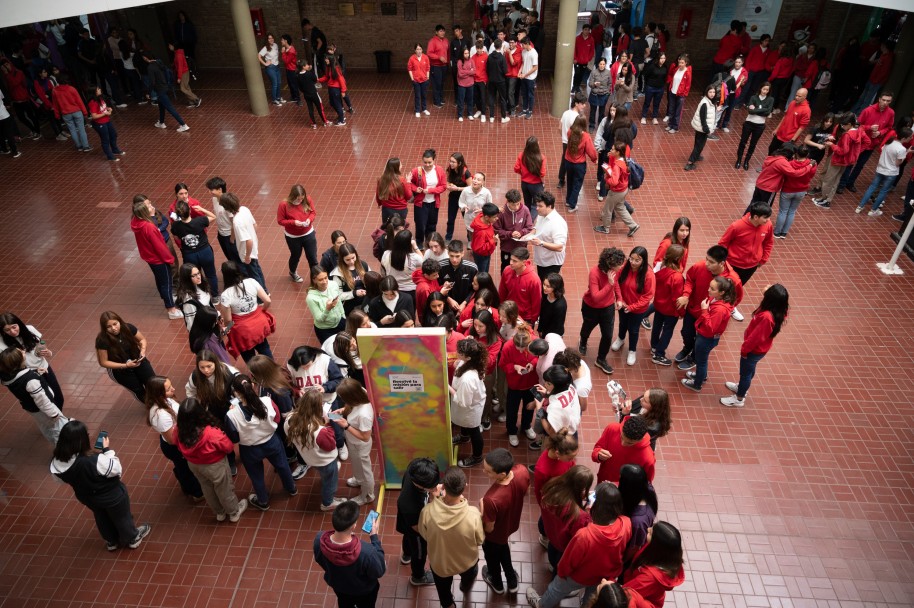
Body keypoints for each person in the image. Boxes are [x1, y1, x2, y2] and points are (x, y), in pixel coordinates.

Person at [526, 482, 632, 608]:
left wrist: (561, 573)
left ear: (596, 506)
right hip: (603, 575)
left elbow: (568, 561)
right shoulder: (626, 523)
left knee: (555, 589)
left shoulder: (585, 535)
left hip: (578, 576)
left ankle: (541, 605)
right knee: (592, 597)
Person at [50, 420, 150, 550]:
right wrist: (107, 450)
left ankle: (111, 541)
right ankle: (132, 538)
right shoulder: (92, 460)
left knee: (100, 515)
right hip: (111, 495)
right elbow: (116, 469)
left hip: (86, 497)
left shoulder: (56, 463)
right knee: (121, 517)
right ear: (81, 441)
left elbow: (60, 480)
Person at [224, 373, 296, 511]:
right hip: (271, 441)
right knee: (282, 466)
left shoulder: (231, 415)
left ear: (236, 393)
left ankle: (263, 500)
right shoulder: (267, 401)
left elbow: (234, 438)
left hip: (250, 449)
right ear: (252, 385)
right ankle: (291, 488)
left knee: (256, 475)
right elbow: (277, 420)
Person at [419, 467, 485, 607]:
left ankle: (449, 604)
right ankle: (465, 586)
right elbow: (480, 540)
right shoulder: (473, 514)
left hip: (440, 565)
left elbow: (425, 534)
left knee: (443, 590)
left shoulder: (427, 512)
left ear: (442, 486)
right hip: (467, 563)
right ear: (464, 487)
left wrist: (435, 499)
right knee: (469, 576)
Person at [177, 398, 248, 522]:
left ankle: (219, 513)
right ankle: (234, 512)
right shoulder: (210, 433)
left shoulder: (179, 430)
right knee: (224, 488)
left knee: (206, 487)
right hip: (214, 465)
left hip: (194, 464)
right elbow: (228, 447)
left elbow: (177, 443)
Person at [674, 246, 743, 371]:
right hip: (693, 309)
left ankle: (694, 358)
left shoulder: (733, 280)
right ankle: (687, 348)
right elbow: (690, 280)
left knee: (701, 342)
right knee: (686, 332)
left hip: (710, 318)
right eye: (706, 259)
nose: (707, 264)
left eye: (711, 262)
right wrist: (686, 295)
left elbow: (736, 299)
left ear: (722, 263)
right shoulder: (700, 266)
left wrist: (721, 311)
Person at [721, 284, 789, 408]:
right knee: (749, 371)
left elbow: (756, 338)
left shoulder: (766, 317)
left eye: (769, 288)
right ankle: (741, 387)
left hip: (753, 350)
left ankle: (739, 398)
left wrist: (744, 350)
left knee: (745, 373)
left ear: (770, 298)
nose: (766, 286)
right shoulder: (778, 309)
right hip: (760, 349)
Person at [313, 500, 386, 608]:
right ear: (353, 526)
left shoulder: (319, 540)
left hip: (340, 588)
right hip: (364, 592)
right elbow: (379, 570)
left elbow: (320, 560)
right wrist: (374, 538)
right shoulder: (367, 552)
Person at [144, 376, 203, 500]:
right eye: (168, 388)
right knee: (185, 469)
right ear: (158, 394)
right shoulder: (161, 415)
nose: (173, 389)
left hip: (180, 440)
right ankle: (195, 492)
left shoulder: (166, 400)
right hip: (175, 446)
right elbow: (172, 439)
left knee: (183, 466)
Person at [479, 448, 529, 594]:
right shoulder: (522, 471)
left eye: (488, 471)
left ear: (501, 474)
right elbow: (527, 490)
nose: (484, 473)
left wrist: (482, 506)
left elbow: (489, 528)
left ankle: (497, 584)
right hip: (510, 525)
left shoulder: (491, 499)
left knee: (492, 558)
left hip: (494, 536)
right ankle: (512, 581)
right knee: (504, 551)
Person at [285, 391, 344, 511]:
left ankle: (325, 482)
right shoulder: (320, 431)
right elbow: (331, 445)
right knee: (330, 482)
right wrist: (327, 424)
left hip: (310, 458)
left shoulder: (290, 420)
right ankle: (328, 503)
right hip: (325, 461)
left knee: (324, 474)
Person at [718, 202, 774, 321]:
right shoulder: (736, 226)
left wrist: (763, 259)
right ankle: (718, 306)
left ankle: (731, 307)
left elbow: (769, 242)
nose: (768, 220)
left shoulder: (768, 225)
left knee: (738, 287)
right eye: (765, 217)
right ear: (755, 217)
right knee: (725, 286)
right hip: (732, 265)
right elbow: (723, 244)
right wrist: (723, 261)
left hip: (751, 266)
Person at [681, 276, 738, 392]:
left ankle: (697, 384)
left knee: (701, 361)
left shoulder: (720, 309)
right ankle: (702, 376)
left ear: (721, 292)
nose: (708, 290)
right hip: (706, 337)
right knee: (703, 360)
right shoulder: (717, 299)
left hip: (706, 337)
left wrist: (704, 310)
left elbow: (710, 327)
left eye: (712, 289)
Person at [0, 347, 67, 444]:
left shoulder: (7, 377)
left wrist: (35, 372)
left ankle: (56, 444)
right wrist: (54, 414)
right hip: (45, 410)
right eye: (21, 353)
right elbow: (41, 400)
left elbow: (22, 381)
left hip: (32, 409)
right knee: (58, 428)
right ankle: (64, 449)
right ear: (19, 361)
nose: (24, 351)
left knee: (44, 427)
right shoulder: (30, 380)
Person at [130, 196, 182, 319]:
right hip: (159, 259)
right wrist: (169, 259)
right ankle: (171, 309)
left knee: (160, 281)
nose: (151, 207)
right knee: (166, 282)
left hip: (149, 257)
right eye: (148, 206)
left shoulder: (136, 222)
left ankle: (167, 299)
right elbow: (160, 246)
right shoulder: (149, 227)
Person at [0, 313, 64, 409]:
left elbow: (40, 345)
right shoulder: (1, 344)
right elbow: (9, 367)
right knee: (46, 401)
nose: (13, 332)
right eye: (7, 330)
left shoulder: (29, 329)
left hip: (44, 367)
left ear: (19, 324)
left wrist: (48, 353)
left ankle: (59, 419)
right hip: (29, 375)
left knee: (58, 398)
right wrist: (34, 373)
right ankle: (55, 420)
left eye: (14, 327)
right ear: (3, 331)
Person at [579, 247, 626, 375]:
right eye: (619, 264)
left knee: (608, 335)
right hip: (591, 307)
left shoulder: (614, 271)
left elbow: (615, 284)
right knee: (587, 328)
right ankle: (583, 342)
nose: (621, 266)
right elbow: (596, 296)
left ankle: (601, 359)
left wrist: (619, 298)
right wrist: (609, 284)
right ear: (610, 264)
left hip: (608, 308)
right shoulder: (594, 273)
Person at [330, 379, 376, 505]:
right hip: (352, 440)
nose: (342, 400)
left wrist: (346, 426)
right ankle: (358, 479)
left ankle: (367, 495)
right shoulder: (360, 392)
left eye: (344, 398)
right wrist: (342, 410)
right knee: (356, 463)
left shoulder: (364, 415)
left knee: (364, 469)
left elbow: (366, 436)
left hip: (360, 444)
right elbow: (350, 406)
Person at [540, 465, 593, 572]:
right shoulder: (579, 516)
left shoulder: (551, 489)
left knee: (552, 549)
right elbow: (579, 536)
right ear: (582, 490)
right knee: (558, 567)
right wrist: (588, 512)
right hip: (564, 546)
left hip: (552, 535)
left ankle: (552, 564)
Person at [812, 113, 872, 209]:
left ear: (849, 124)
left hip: (838, 159)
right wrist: (854, 153)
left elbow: (842, 151)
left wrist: (832, 145)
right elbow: (866, 142)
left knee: (828, 180)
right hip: (845, 161)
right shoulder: (859, 131)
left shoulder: (847, 135)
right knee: (836, 180)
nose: (842, 126)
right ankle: (827, 200)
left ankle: (825, 199)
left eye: (844, 125)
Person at [95, 311, 156, 403]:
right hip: (120, 371)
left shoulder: (129, 328)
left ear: (120, 321)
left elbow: (142, 339)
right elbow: (103, 362)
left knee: (153, 383)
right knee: (139, 390)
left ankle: (161, 402)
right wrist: (126, 365)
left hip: (139, 361)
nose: (114, 328)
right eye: (109, 327)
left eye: (115, 324)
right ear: (104, 328)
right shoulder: (102, 340)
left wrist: (142, 351)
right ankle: (151, 406)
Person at [396, 457, 440, 585]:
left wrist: (432, 493)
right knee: (420, 552)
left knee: (407, 537)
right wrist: (431, 535)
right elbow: (418, 528)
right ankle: (418, 576)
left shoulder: (415, 468)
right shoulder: (409, 503)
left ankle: (406, 555)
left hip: (408, 522)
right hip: (416, 529)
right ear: (420, 485)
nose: (435, 489)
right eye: (432, 487)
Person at [622, 521, 686, 607]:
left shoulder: (650, 578)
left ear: (657, 545)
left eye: (651, 533)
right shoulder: (668, 557)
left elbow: (624, 594)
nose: (648, 529)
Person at [611, 247, 655, 366]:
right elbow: (616, 281)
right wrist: (620, 299)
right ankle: (620, 339)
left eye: (637, 260)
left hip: (638, 309)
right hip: (623, 304)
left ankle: (632, 350)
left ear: (644, 261)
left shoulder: (649, 275)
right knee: (622, 323)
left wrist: (632, 307)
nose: (633, 262)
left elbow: (647, 296)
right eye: (631, 258)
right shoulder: (625, 265)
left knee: (634, 330)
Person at [218, 192, 268, 291]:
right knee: (257, 269)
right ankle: (265, 291)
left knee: (253, 275)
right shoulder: (245, 209)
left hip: (247, 251)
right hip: (253, 247)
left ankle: (261, 297)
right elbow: (255, 225)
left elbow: (248, 241)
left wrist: (247, 256)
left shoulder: (237, 222)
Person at [856, 126, 911, 216]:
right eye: (910, 137)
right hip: (891, 172)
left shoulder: (889, 142)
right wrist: (906, 153)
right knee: (883, 191)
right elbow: (897, 163)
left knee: (872, 187)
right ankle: (873, 210)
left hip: (880, 169)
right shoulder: (902, 149)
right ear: (904, 138)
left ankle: (860, 207)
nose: (911, 138)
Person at [450, 338, 487, 468]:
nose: (456, 353)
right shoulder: (470, 362)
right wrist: (457, 363)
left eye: (459, 353)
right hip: (468, 402)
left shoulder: (468, 379)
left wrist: (448, 388)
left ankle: (477, 456)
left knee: (474, 430)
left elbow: (463, 401)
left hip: (470, 407)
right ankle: (463, 436)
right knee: (465, 424)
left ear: (468, 357)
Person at [171, 201, 219, 300]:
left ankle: (199, 295)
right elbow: (213, 216)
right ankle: (214, 296)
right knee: (211, 274)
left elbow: (176, 238)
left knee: (194, 275)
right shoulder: (200, 221)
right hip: (205, 252)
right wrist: (201, 209)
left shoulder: (176, 226)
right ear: (189, 210)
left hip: (189, 254)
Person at [648, 245, 685, 367]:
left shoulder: (660, 268)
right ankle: (659, 354)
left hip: (659, 304)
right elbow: (677, 298)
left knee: (657, 326)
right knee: (667, 331)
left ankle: (654, 346)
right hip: (670, 310)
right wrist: (681, 313)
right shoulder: (677, 277)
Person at [592, 416, 655, 484]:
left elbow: (645, 483)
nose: (623, 444)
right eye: (621, 437)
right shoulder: (612, 428)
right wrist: (598, 455)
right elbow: (597, 449)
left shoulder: (648, 458)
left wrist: (617, 485)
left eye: (629, 443)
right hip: (602, 482)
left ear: (641, 439)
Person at [277, 183, 319, 283]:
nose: (300, 201)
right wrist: (294, 222)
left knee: (312, 257)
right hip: (293, 237)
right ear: (292, 197)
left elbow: (313, 212)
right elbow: (280, 220)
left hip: (308, 233)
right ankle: (292, 272)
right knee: (295, 256)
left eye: (301, 199)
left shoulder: (307, 199)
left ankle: (316, 279)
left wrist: (309, 220)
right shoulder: (284, 205)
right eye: (298, 199)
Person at [595, 142, 639, 237]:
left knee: (607, 209)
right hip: (623, 189)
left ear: (618, 152)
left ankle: (605, 228)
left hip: (616, 191)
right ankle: (633, 226)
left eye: (613, 149)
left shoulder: (616, 166)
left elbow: (614, 181)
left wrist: (606, 179)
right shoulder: (623, 160)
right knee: (620, 207)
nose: (611, 150)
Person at [775, 146, 818, 237]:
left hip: (787, 190)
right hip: (802, 191)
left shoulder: (789, 164)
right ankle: (784, 232)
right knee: (792, 211)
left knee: (783, 211)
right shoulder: (812, 164)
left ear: (796, 154)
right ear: (807, 154)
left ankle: (777, 232)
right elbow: (811, 176)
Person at [409, 149, 448, 246]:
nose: (427, 165)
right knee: (420, 225)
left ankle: (430, 242)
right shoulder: (416, 171)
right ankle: (419, 243)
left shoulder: (439, 170)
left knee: (432, 224)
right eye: (425, 162)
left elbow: (443, 186)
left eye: (429, 162)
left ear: (434, 160)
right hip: (420, 203)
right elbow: (409, 183)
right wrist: (415, 188)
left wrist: (430, 190)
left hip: (434, 202)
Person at [143, 51, 189, 131]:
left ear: (145, 58)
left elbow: (152, 82)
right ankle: (161, 122)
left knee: (170, 108)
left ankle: (183, 124)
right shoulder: (159, 62)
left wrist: (148, 93)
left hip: (160, 89)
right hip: (165, 86)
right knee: (161, 106)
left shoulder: (150, 67)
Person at [735, 82, 775, 170]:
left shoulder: (770, 99)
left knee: (753, 144)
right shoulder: (753, 97)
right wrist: (763, 110)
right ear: (760, 88)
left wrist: (756, 109)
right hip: (749, 123)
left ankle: (746, 161)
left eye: (767, 90)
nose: (765, 91)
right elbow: (750, 111)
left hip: (760, 126)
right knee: (743, 142)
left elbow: (768, 112)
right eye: (764, 89)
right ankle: (739, 160)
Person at [564, 116, 598, 212]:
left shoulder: (570, 132)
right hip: (579, 164)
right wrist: (594, 159)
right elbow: (591, 151)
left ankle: (568, 200)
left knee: (569, 181)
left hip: (568, 161)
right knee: (577, 184)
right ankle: (572, 204)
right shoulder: (586, 136)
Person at [530, 192, 567, 279]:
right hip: (542, 260)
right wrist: (531, 233)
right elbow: (537, 226)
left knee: (547, 288)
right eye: (537, 205)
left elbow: (559, 247)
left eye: (540, 206)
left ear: (549, 206)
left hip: (551, 263)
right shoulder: (541, 215)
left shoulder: (557, 223)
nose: (537, 208)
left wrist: (541, 243)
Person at [306, 267, 346, 343]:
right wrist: (327, 309)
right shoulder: (311, 298)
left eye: (326, 278)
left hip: (339, 322)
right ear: (314, 280)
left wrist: (343, 317)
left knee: (342, 346)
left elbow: (339, 301)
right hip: (325, 329)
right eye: (320, 279)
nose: (324, 281)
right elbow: (319, 319)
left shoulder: (333, 285)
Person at [86, 86, 125, 161]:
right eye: (98, 89)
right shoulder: (93, 102)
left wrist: (108, 108)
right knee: (105, 139)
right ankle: (110, 156)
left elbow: (103, 107)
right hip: (100, 123)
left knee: (113, 134)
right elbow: (94, 116)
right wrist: (105, 114)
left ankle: (115, 150)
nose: (100, 90)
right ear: (94, 92)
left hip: (106, 121)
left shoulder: (100, 98)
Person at [767, 88, 810, 156]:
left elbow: (802, 127)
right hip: (780, 134)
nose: (796, 97)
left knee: (781, 156)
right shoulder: (792, 103)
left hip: (789, 138)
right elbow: (785, 116)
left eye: (799, 96)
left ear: (805, 97)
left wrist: (792, 140)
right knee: (771, 150)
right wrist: (777, 129)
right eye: (796, 95)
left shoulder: (806, 110)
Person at [331, 243, 372, 315]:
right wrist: (354, 293)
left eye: (353, 258)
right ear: (342, 259)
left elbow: (373, 281)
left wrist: (367, 283)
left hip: (366, 302)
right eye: (348, 260)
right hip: (350, 307)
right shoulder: (338, 274)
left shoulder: (364, 265)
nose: (352, 262)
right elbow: (337, 296)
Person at [439, 240, 478, 312]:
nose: (454, 260)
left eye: (457, 256)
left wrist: (465, 303)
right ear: (448, 253)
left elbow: (475, 289)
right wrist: (448, 299)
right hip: (446, 306)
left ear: (462, 253)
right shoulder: (440, 266)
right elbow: (437, 286)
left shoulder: (472, 268)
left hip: (466, 306)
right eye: (451, 256)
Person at [684, 85, 717, 171]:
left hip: (699, 127)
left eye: (713, 92)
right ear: (706, 92)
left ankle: (697, 156)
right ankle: (690, 162)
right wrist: (707, 130)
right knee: (699, 145)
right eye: (710, 92)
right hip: (703, 128)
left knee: (698, 143)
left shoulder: (707, 101)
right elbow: (703, 118)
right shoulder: (705, 103)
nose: (712, 94)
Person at [558, 95, 587, 191]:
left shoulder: (565, 113)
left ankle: (561, 179)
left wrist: (563, 137)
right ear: (576, 104)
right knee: (573, 161)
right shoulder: (577, 117)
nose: (584, 106)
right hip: (573, 142)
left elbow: (559, 127)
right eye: (582, 104)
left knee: (564, 159)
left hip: (565, 141)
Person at [376, 157, 415, 223]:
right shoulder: (402, 180)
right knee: (399, 227)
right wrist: (408, 182)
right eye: (400, 164)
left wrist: (379, 203)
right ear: (397, 167)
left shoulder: (381, 179)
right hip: (400, 209)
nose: (402, 166)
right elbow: (408, 196)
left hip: (386, 209)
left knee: (388, 227)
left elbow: (378, 193)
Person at [445, 153, 473, 240]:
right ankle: (448, 237)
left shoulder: (466, 173)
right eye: (450, 161)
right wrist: (448, 186)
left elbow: (471, 188)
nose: (451, 163)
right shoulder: (450, 169)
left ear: (460, 163)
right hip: (453, 197)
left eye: (453, 162)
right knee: (450, 219)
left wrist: (457, 188)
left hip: (465, 199)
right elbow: (447, 181)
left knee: (467, 220)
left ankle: (470, 239)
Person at [458, 172, 494, 240]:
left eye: (478, 179)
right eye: (474, 178)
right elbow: (461, 202)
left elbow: (490, 206)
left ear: (483, 182)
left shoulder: (486, 193)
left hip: (482, 218)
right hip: (469, 217)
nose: (475, 181)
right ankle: (470, 241)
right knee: (470, 231)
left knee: (480, 236)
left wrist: (482, 210)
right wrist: (464, 207)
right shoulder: (466, 191)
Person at [296, 59, 329, 128]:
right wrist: (311, 70)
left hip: (306, 95)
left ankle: (314, 124)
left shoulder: (298, 76)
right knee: (320, 108)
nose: (308, 66)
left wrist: (305, 91)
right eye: (307, 65)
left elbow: (300, 87)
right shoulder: (308, 73)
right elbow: (315, 79)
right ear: (303, 67)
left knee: (310, 109)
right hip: (314, 94)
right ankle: (325, 121)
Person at [664, 54, 692, 134]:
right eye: (679, 62)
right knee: (671, 109)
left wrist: (684, 94)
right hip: (672, 91)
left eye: (682, 63)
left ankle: (675, 127)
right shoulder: (676, 69)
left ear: (686, 63)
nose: (680, 64)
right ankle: (670, 124)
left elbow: (688, 85)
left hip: (680, 94)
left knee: (678, 111)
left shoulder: (687, 72)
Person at [318, 55, 349, 126]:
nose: (325, 60)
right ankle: (341, 116)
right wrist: (318, 80)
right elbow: (326, 77)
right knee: (332, 103)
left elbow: (342, 80)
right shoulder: (329, 68)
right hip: (331, 88)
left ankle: (341, 120)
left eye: (327, 59)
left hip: (335, 89)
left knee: (337, 104)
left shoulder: (335, 69)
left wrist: (343, 91)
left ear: (330, 60)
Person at [470, 203, 499, 273]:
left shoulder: (483, 218)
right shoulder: (481, 232)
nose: (497, 218)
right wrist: (493, 241)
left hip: (486, 252)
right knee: (482, 273)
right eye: (494, 217)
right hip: (482, 256)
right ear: (486, 217)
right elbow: (480, 248)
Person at [639, 51, 667, 125]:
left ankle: (654, 117)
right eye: (661, 58)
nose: (663, 60)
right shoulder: (652, 66)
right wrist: (648, 83)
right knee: (647, 102)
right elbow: (646, 75)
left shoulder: (665, 67)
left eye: (664, 58)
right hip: (650, 87)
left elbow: (665, 77)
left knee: (656, 103)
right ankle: (644, 116)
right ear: (658, 58)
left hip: (660, 88)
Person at [169, 43, 200, 107]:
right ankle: (192, 102)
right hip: (184, 72)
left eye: (170, 45)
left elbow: (180, 67)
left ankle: (196, 99)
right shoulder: (178, 53)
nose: (169, 47)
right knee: (186, 87)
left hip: (183, 73)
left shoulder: (178, 55)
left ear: (173, 46)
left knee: (183, 88)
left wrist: (179, 77)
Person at [258, 33, 283, 105]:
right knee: (275, 84)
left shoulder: (275, 45)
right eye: (269, 38)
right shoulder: (265, 48)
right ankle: (274, 99)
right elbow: (259, 56)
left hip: (277, 66)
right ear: (267, 40)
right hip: (270, 68)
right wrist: (265, 63)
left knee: (279, 83)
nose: (271, 39)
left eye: (272, 38)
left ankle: (278, 97)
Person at [408, 43, 431, 118]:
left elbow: (428, 68)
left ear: (422, 50)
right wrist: (412, 79)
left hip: (424, 80)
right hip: (416, 81)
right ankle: (417, 110)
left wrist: (427, 77)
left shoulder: (425, 57)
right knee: (417, 96)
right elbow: (410, 69)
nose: (419, 51)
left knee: (424, 95)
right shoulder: (412, 58)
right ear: (415, 50)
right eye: (417, 49)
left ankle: (424, 109)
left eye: (420, 49)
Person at [518, 38, 538, 119]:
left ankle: (530, 111)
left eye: (522, 44)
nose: (521, 46)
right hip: (524, 77)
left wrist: (525, 74)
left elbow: (535, 67)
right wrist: (520, 72)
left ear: (526, 43)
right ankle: (524, 109)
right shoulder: (523, 52)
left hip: (531, 78)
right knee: (524, 94)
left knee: (530, 95)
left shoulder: (534, 53)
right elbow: (523, 63)